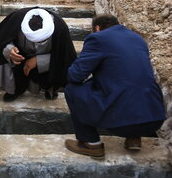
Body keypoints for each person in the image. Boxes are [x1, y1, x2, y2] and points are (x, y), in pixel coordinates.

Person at [64, 14, 166, 159]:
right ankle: (133, 138)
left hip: (120, 123)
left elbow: (75, 75)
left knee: (72, 89)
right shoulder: (138, 39)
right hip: (154, 119)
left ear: (97, 28)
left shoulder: (97, 38)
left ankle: (91, 144)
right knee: (129, 85)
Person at [0, 7, 77, 102]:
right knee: (3, 55)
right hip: (20, 57)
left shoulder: (60, 27)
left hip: (48, 59)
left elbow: (64, 56)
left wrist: (38, 61)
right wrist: (10, 50)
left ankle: (50, 88)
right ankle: (13, 90)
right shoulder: (17, 18)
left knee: (58, 66)